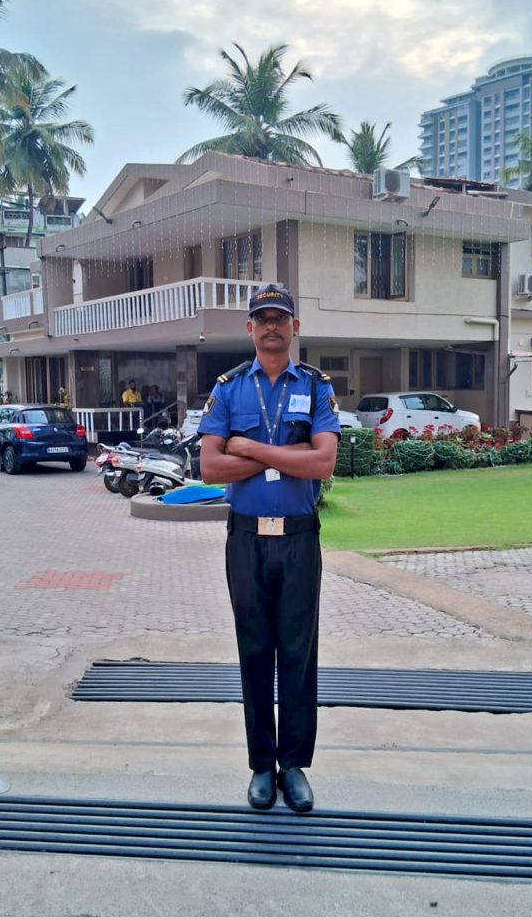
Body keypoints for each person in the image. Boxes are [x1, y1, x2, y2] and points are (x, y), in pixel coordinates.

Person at [198, 283, 340, 813]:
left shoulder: (317, 388)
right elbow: (211, 468)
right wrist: (288, 453)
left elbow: (323, 464)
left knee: (299, 654)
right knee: (255, 651)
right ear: (250, 329)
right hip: (247, 539)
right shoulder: (230, 389)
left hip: (300, 539)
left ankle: (294, 765)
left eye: (281, 317)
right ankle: (262, 765)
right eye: (263, 318)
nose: (272, 325)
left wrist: (252, 448)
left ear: (295, 328)